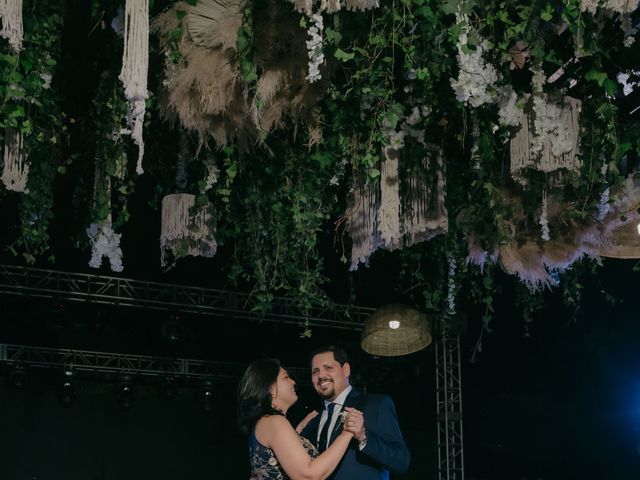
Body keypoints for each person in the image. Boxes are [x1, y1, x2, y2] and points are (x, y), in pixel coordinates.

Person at [238, 358, 361, 480]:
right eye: (286, 377)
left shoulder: (265, 423)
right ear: (270, 388)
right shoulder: (274, 422)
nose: (293, 382)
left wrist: (297, 432)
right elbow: (309, 475)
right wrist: (347, 433)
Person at [300, 345, 410, 480]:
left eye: (328, 368)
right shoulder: (312, 420)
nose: (321, 375)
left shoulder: (376, 404)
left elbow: (401, 461)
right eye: (315, 371)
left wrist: (363, 436)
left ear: (345, 370)